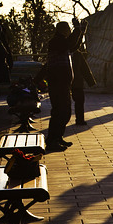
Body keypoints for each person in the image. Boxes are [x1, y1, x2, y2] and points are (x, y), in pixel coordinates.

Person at [35, 18, 85, 150]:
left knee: (65, 112)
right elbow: (69, 44)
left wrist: (80, 32)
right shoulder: (56, 41)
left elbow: (73, 46)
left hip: (63, 83)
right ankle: (52, 141)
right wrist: (78, 29)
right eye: (68, 28)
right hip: (58, 83)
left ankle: (58, 137)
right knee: (59, 112)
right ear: (63, 30)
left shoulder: (61, 41)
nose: (69, 31)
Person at [71, 22, 96, 126]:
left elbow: (85, 69)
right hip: (72, 80)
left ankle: (80, 119)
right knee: (78, 100)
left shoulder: (76, 54)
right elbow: (85, 69)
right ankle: (79, 119)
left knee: (79, 100)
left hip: (73, 80)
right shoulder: (75, 53)